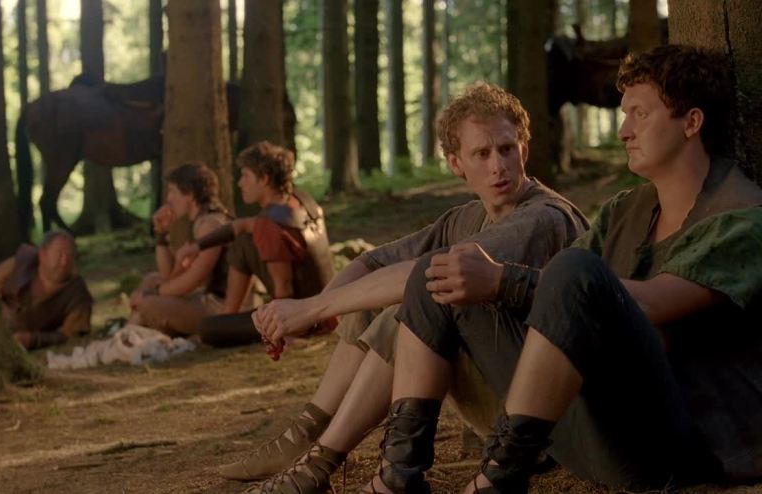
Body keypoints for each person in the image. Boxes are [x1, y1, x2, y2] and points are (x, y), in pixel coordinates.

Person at [348, 44, 762, 494]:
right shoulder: (625, 210)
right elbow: (561, 299)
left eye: (639, 114)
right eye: (625, 115)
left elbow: (648, 302)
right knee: (440, 271)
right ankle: (398, 476)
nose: (624, 131)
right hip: (589, 430)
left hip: (672, 450)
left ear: (692, 122)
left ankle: (500, 479)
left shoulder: (742, 217)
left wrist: (504, 281)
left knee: (573, 269)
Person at [230, 83, 589, 493]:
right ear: (456, 163)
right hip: (504, 393)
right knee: (378, 295)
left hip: (548, 418)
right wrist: (319, 308)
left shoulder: (543, 217)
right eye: (482, 154)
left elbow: (426, 275)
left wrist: (310, 309)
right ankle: (308, 434)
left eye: (507, 149)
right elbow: (373, 263)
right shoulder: (466, 217)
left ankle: (322, 463)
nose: (498, 166)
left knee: (408, 307)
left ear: (523, 150)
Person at [179, 141, 335, 348]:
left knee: (208, 329)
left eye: (245, 176)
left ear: (264, 179)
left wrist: (284, 334)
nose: (240, 183)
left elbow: (284, 285)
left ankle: (227, 320)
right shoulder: (301, 200)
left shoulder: (269, 225)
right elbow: (241, 226)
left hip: (305, 320)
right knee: (243, 242)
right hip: (328, 308)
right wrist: (197, 247)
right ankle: (229, 315)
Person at [130, 162, 231, 336]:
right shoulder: (199, 222)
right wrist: (161, 233)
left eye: (172, 192)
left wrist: (150, 295)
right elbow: (169, 274)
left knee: (147, 304)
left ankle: (125, 338)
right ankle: (128, 337)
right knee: (152, 279)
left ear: (190, 194)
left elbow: (191, 281)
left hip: (222, 306)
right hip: (207, 299)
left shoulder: (210, 224)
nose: (168, 199)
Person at [0, 230, 93, 350]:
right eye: (59, 254)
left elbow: (72, 335)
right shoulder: (19, 264)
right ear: (42, 254)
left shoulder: (78, 293)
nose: (64, 262)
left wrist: (33, 339)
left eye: (70, 255)